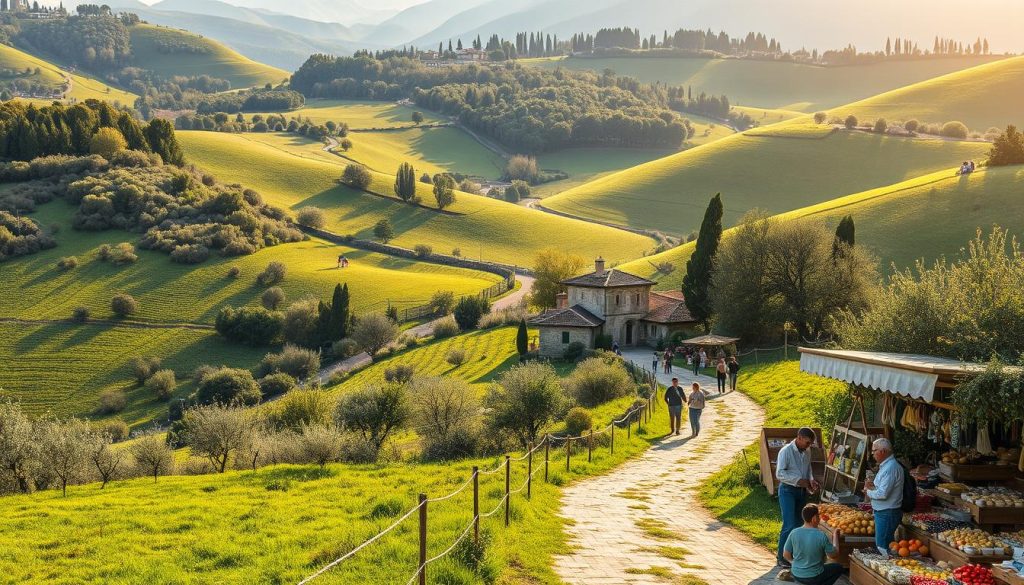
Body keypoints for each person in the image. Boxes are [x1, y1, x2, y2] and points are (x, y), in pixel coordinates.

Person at [776, 427, 820, 567]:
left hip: (801, 491)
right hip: (787, 490)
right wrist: (798, 480)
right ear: (799, 438)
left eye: (810, 443)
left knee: (798, 525)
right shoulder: (785, 451)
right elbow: (780, 474)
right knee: (789, 524)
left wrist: (811, 480)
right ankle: (781, 558)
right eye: (807, 442)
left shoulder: (807, 451)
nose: (808, 446)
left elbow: (808, 469)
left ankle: (792, 555)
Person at [783, 504, 845, 585]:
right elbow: (833, 555)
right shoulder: (821, 535)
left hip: (796, 574)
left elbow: (785, 554)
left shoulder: (794, 532)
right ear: (814, 519)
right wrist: (835, 536)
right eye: (818, 517)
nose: (819, 519)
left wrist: (793, 563)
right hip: (814, 577)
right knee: (838, 567)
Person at [864, 438, 904, 557]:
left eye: (874, 451)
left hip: (887, 512)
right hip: (884, 512)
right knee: (883, 544)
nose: (873, 454)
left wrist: (868, 492)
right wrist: (872, 487)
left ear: (882, 451)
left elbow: (883, 494)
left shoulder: (891, 468)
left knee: (883, 547)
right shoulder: (887, 466)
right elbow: (881, 488)